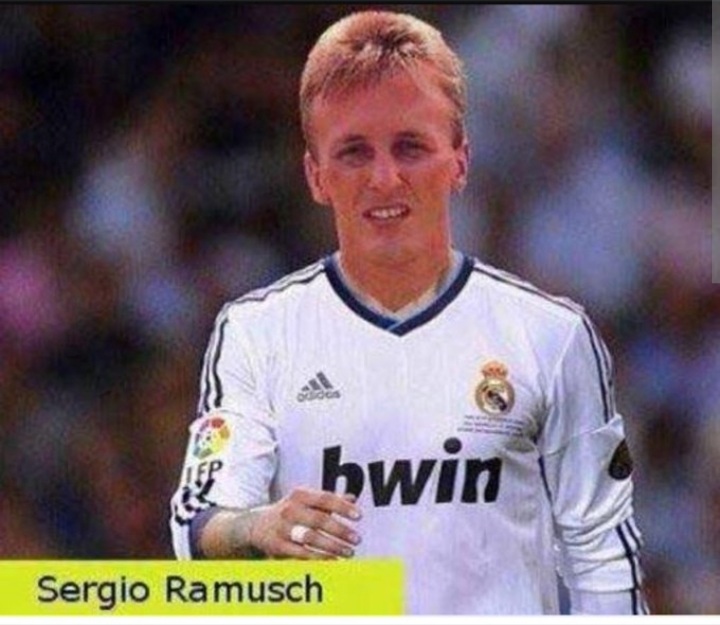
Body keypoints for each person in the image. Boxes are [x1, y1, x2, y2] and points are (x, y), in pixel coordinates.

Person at [170, 10, 648, 615]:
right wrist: (258, 526)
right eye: (354, 153)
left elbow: (601, 552)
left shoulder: (550, 336)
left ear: (460, 160)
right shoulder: (257, 334)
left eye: (411, 147)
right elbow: (198, 522)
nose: (385, 178)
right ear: (316, 175)